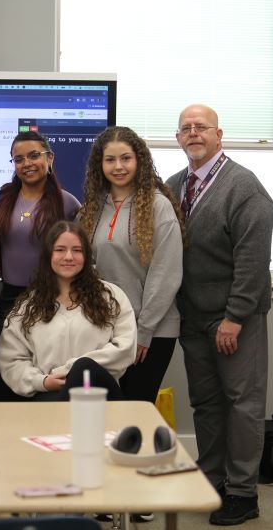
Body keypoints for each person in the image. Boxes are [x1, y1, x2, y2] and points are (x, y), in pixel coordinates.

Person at [167, 104, 273, 526]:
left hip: (234, 319)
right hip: (193, 318)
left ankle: (243, 492)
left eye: (202, 127)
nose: (194, 133)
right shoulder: (175, 186)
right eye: (186, 128)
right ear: (178, 138)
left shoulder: (243, 186)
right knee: (207, 404)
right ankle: (211, 480)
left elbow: (252, 260)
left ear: (219, 135)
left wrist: (235, 317)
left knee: (242, 403)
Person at [79, 126, 184, 403]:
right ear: (99, 164)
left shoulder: (157, 206)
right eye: (110, 159)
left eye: (125, 158)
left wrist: (144, 332)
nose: (118, 166)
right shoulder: (91, 208)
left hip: (151, 331)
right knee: (105, 411)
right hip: (107, 328)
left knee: (135, 409)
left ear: (139, 160)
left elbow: (166, 273)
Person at [0, 221, 136, 401]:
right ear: (48, 255)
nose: (69, 257)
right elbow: (11, 361)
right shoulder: (28, 306)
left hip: (99, 393)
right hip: (49, 394)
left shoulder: (111, 297)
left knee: (85, 367)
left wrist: (71, 371)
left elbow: (125, 349)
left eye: (77, 250)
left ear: (86, 256)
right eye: (60, 249)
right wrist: (42, 381)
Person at [0, 131, 80, 400]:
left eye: (33, 156)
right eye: (19, 159)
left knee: (42, 374)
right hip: (10, 298)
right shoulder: (5, 198)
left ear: (49, 158)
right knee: (5, 375)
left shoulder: (67, 203)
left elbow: (79, 256)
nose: (26, 163)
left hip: (49, 298)